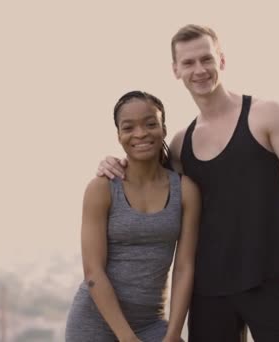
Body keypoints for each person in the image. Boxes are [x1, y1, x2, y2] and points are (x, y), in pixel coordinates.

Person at [97, 25, 279, 341]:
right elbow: (146, 177)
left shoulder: (265, 115)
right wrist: (112, 163)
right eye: (188, 63)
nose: (199, 70)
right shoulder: (179, 144)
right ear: (176, 70)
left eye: (206, 59)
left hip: (270, 279)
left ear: (221, 60)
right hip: (208, 291)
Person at [66, 90, 201, 342]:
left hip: (151, 323)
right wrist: (127, 338)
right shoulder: (102, 188)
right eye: (129, 127)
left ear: (163, 128)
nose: (140, 134)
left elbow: (184, 267)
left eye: (150, 124)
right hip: (95, 323)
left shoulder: (185, 191)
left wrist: (172, 334)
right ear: (119, 135)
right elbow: (93, 272)